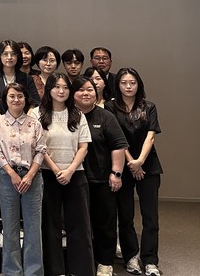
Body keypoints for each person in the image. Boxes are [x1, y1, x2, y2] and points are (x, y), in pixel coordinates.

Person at [35, 72, 94, 276]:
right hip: (47, 174)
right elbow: (38, 147)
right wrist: (56, 169)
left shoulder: (77, 114)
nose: (61, 91)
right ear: (48, 89)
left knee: (80, 225)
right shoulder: (36, 113)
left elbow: (84, 147)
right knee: (50, 226)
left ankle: (81, 270)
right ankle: (54, 270)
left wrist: (69, 170)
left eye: (66, 87)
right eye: (57, 87)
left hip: (75, 174)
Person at [106, 68, 163, 276]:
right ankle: (131, 257)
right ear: (118, 85)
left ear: (139, 84)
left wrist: (140, 162)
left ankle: (150, 261)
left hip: (149, 165)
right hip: (123, 166)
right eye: (124, 83)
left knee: (150, 217)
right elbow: (116, 137)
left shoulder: (149, 106)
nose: (128, 86)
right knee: (125, 215)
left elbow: (151, 136)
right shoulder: (110, 107)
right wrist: (132, 163)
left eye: (132, 82)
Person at [73, 76, 128, 276]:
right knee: (78, 224)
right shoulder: (68, 116)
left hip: (101, 179)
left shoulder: (105, 117)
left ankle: (105, 263)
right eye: (81, 90)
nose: (86, 93)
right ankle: (82, 263)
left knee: (104, 223)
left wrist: (116, 173)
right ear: (73, 94)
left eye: (90, 89)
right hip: (73, 180)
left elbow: (118, 146)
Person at [0, 82, 46, 276]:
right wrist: (12, 174)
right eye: (12, 96)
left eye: (20, 96)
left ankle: (33, 271)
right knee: (10, 227)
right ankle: (12, 271)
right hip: (7, 177)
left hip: (32, 177)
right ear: (5, 99)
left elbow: (41, 150)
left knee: (33, 227)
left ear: (25, 99)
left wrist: (29, 175)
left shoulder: (34, 123)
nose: (16, 100)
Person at [0, 40, 40, 119]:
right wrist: (4, 122)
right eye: (5, 54)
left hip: (24, 122)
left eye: (13, 54)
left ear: (18, 56)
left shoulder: (27, 78)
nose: (9, 57)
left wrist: (25, 120)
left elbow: (34, 103)